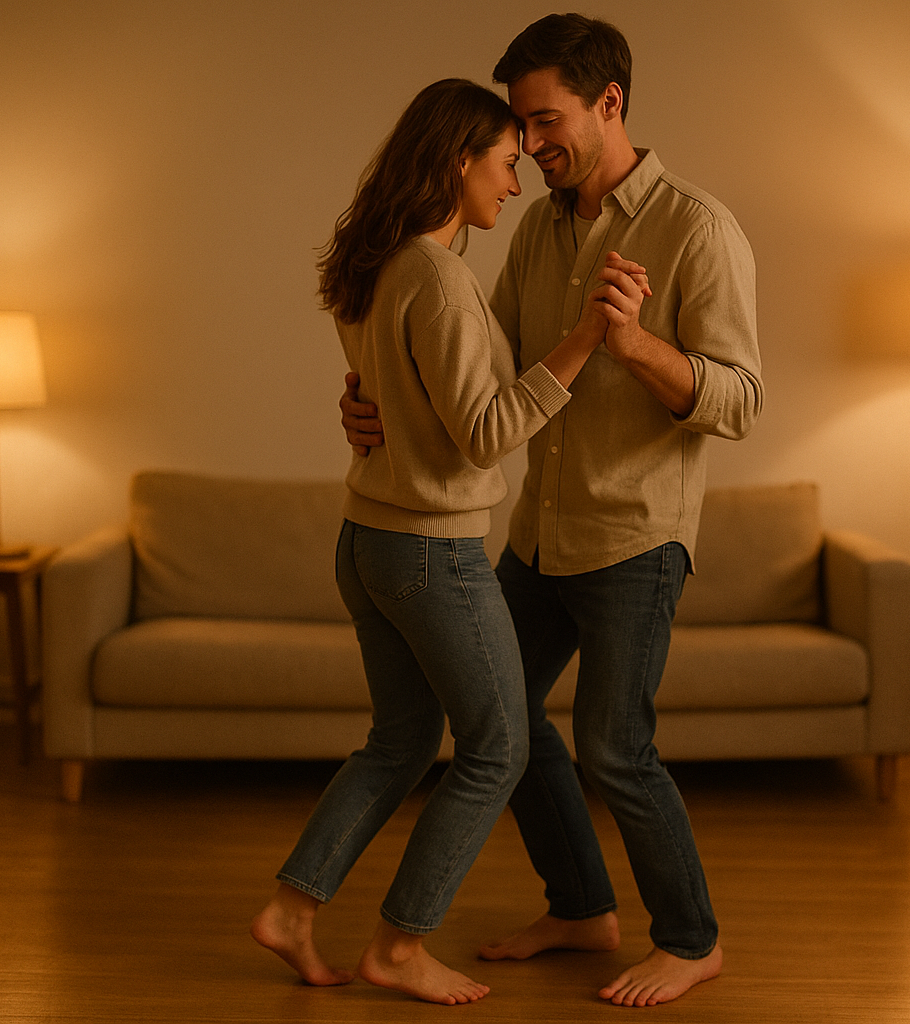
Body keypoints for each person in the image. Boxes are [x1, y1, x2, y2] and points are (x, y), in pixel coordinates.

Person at [341, 15, 763, 1008]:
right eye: (520, 131)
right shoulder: (539, 228)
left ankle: (692, 937)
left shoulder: (698, 227)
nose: (528, 149)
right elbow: (483, 370)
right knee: (504, 719)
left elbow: (741, 399)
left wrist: (638, 346)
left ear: (608, 103)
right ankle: (580, 906)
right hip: (539, 533)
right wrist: (370, 397)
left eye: (544, 121)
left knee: (617, 746)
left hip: (635, 535)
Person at [250, 78, 650, 1006]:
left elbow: (383, 399)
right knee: (498, 746)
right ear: (457, 162)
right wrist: (589, 336)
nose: (515, 184)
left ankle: (292, 911)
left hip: (369, 542)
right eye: (506, 163)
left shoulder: (375, 263)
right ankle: (399, 943)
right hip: (432, 551)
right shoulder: (438, 276)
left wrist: (360, 410)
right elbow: (485, 430)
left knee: (397, 742)